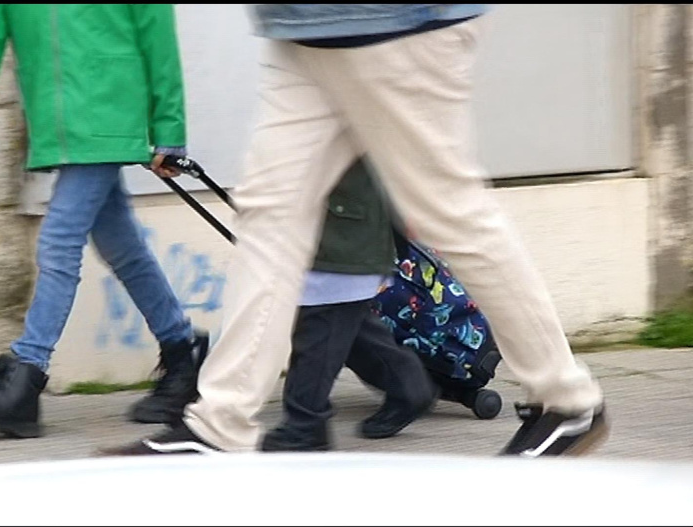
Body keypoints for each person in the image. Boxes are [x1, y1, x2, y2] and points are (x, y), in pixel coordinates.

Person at [106, 4, 608, 457]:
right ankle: (220, 422)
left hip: (395, 27)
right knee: (268, 214)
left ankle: (566, 401)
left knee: (447, 209)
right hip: (305, 29)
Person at [0, 4, 208, 438]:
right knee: (122, 246)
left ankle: (25, 379)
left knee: (59, 242)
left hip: (109, 112)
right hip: (59, 122)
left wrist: (169, 129)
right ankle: (182, 352)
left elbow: (157, 31)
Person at [262, 159, 437, 452]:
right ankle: (407, 383)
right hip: (339, 221)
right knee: (343, 321)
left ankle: (304, 423)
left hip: (345, 226)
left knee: (322, 320)